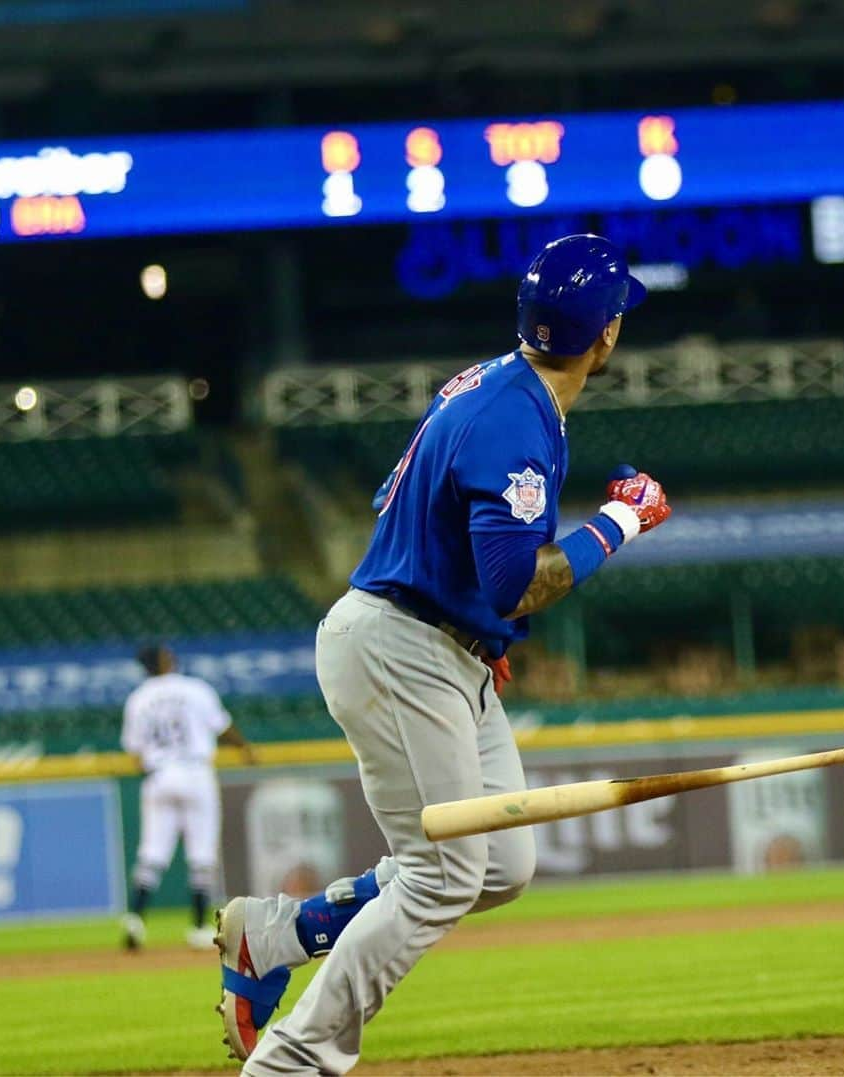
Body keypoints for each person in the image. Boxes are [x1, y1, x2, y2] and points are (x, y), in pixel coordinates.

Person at [213, 234, 673, 1073]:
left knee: (502, 865)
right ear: (603, 335)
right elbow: (512, 582)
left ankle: (284, 932)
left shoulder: (499, 385)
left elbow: (428, 521)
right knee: (442, 879)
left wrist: (477, 632)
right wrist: (624, 520)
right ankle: (293, 1061)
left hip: (444, 647)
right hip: (404, 646)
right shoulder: (516, 420)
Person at [120, 643, 256, 951]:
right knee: (202, 853)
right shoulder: (194, 688)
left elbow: (135, 753)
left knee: (152, 852)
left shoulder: (138, 699)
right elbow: (222, 726)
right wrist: (245, 747)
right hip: (195, 773)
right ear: (165, 660)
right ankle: (197, 927)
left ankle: (134, 920)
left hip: (159, 776)